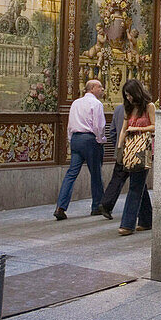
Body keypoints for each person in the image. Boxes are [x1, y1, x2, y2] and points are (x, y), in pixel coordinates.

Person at [99, 79, 154, 233]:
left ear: (137, 92)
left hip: (143, 150)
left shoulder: (149, 107)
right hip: (129, 150)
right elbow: (123, 129)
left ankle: (127, 224)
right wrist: (119, 149)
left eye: (130, 95)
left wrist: (138, 129)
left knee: (135, 187)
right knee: (139, 184)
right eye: (126, 96)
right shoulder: (128, 109)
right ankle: (146, 220)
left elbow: (155, 126)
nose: (128, 98)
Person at [54, 79, 107, 220]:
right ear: (93, 88)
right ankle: (97, 206)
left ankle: (60, 207)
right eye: (100, 87)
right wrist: (100, 140)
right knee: (96, 174)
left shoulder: (75, 103)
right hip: (90, 140)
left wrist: (71, 140)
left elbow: (70, 125)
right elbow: (99, 126)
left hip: (76, 139)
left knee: (71, 173)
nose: (102, 89)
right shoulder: (96, 104)